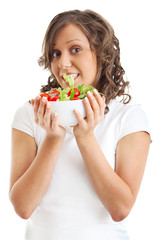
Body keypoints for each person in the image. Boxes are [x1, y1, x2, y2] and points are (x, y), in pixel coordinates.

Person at [9, 9, 151, 240]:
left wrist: (85, 137)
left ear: (102, 54)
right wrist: (53, 138)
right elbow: (23, 207)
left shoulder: (129, 117)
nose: (63, 63)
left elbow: (120, 208)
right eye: (55, 53)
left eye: (75, 49)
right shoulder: (30, 114)